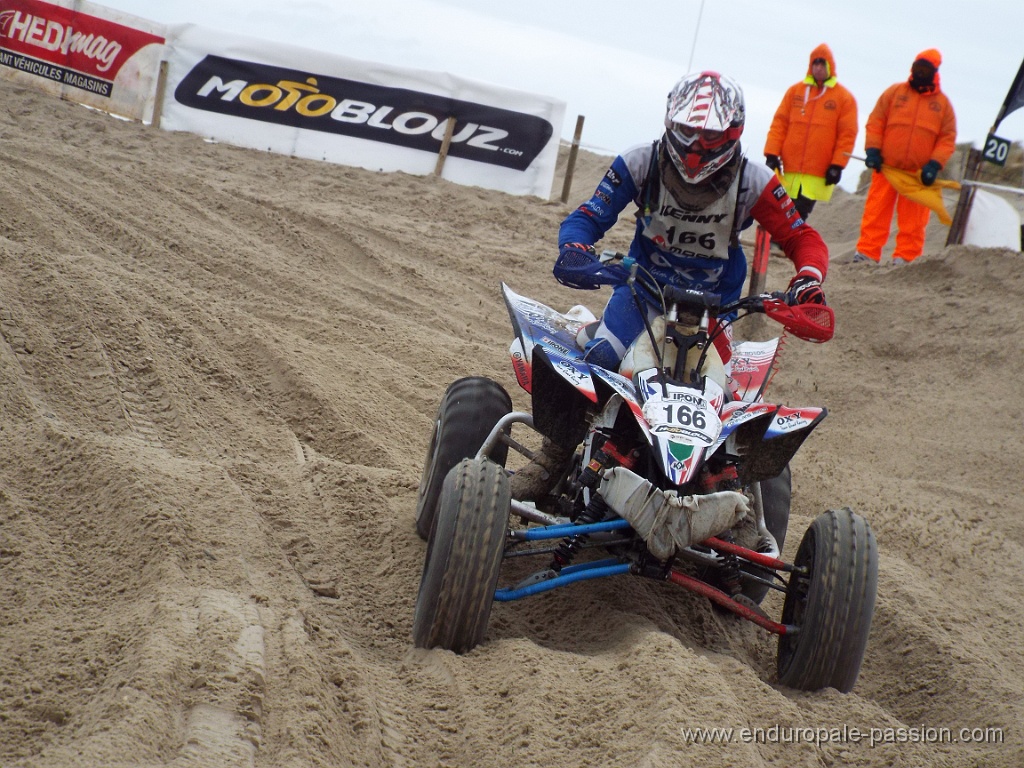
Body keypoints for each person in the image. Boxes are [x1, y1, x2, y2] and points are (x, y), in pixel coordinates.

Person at [512, 71, 830, 500]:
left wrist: (807, 280)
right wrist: (575, 249)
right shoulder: (641, 162)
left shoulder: (754, 181)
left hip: (714, 310)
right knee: (600, 360)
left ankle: (731, 494)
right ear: (670, 122)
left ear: (732, 134)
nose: (696, 148)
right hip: (642, 294)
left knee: (728, 400)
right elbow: (587, 217)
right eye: (687, 131)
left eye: (709, 136)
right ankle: (554, 454)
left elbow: (801, 238)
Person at [854, 49, 957, 265]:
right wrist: (872, 150)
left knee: (914, 222)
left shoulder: (943, 105)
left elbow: (947, 139)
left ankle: (906, 258)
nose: (920, 73)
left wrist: (934, 165)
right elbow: (876, 122)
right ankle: (866, 254)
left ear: (935, 72)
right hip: (887, 169)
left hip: (917, 177)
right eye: (917, 67)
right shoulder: (894, 93)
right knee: (875, 213)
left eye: (925, 69)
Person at [763, 43, 859, 221]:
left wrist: (838, 165)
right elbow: (779, 124)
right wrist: (771, 153)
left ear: (830, 66)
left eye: (822, 65)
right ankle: (780, 244)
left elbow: (847, 135)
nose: (818, 68)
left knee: (799, 212)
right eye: (815, 64)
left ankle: (786, 243)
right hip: (789, 169)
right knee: (781, 209)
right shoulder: (795, 92)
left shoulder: (844, 98)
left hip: (818, 172)